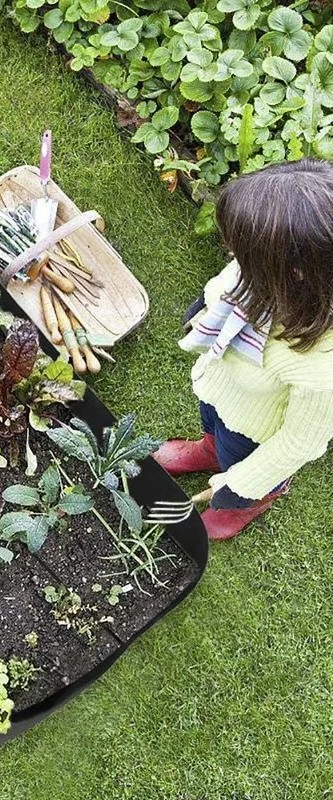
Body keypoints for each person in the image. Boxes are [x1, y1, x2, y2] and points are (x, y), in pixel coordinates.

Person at [153, 159, 333, 541]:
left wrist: (240, 481)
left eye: (244, 254)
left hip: (258, 430)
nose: (233, 255)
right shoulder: (263, 276)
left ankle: (249, 503)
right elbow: (228, 281)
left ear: (296, 273)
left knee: (240, 460)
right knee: (214, 421)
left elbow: (300, 442)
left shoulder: (321, 365)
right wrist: (204, 304)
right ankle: (210, 449)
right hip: (223, 385)